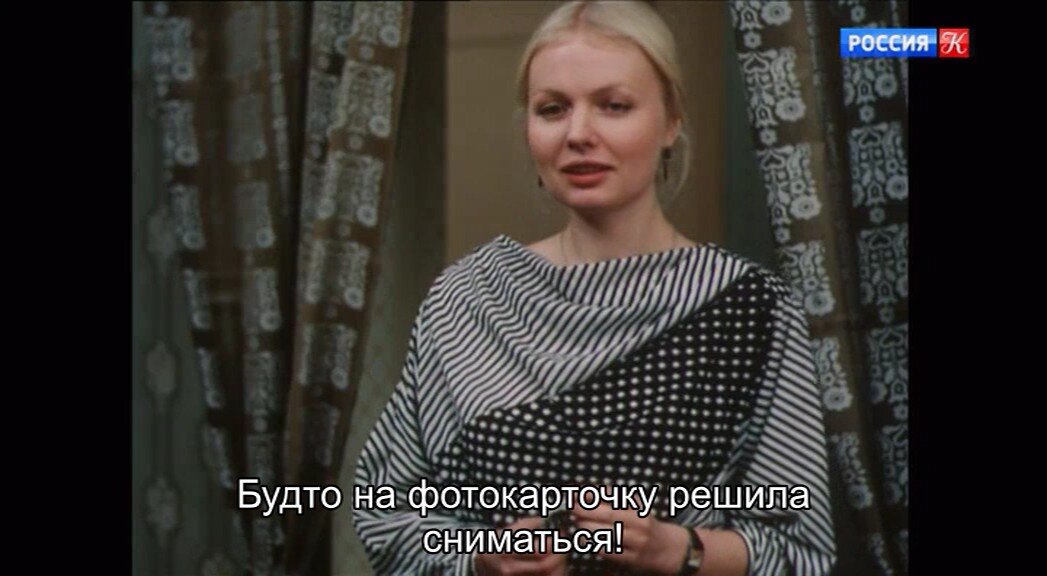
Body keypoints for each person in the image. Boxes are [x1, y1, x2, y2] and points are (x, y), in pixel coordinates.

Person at [353, 2, 836, 575]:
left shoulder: (751, 309)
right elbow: (385, 511)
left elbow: (800, 550)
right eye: (553, 109)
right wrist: (479, 560)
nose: (579, 134)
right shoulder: (467, 300)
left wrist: (674, 549)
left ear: (671, 121)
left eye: (614, 106)